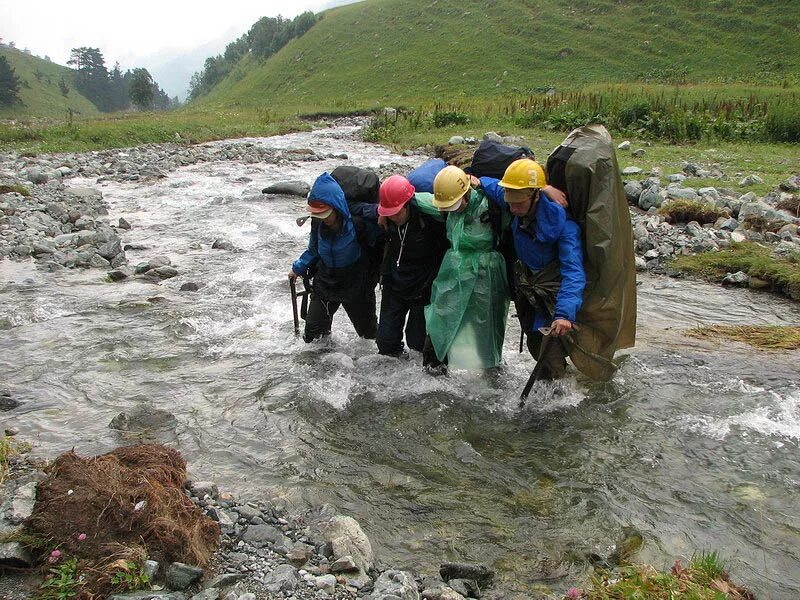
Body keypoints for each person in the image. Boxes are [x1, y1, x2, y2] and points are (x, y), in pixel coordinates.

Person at [478, 159, 586, 380]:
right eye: (511, 201)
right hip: (528, 293)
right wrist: (477, 181)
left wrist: (564, 315)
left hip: (552, 298)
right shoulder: (517, 202)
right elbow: (496, 188)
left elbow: (573, 272)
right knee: (536, 345)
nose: (513, 208)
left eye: (518, 203)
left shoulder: (565, 228)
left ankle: (561, 399)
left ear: (535, 196)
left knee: (549, 356)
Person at [423, 165, 511, 371]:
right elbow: (418, 199)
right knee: (441, 319)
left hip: (487, 273)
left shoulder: (490, 205)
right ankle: (433, 371)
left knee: (486, 327)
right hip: (453, 270)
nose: (452, 209)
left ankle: (490, 375)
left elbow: (517, 202)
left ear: (466, 192)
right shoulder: (446, 205)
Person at [288, 172, 377, 343]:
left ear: (336, 208)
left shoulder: (358, 224)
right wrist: (297, 268)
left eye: (325, 214)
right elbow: (313, 249)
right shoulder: (317, 224)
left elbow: (378, 247)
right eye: (318, 215)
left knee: (369, 337)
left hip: (356, 282)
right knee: (313, 338)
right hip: (326, 281)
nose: (323, 219)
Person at [375, 175, 448, 358]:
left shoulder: (430, 221)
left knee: (417, 343)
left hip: (422, 288)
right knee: (385, 343)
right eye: (389, 213)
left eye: (397, 212)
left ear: (408, 203)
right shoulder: (385, 219)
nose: (394, 217)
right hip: (394, 285)